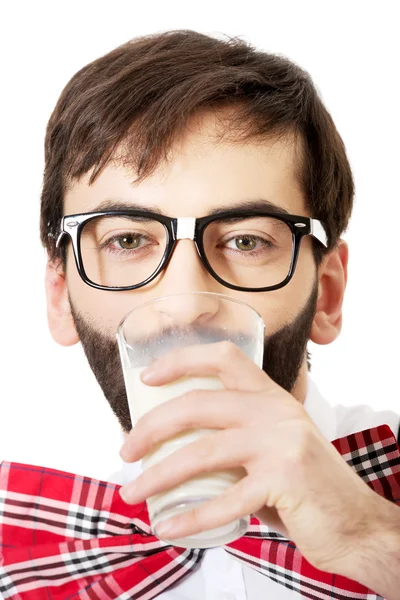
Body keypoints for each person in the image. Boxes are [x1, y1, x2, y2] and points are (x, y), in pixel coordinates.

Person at [16, 29, 400, 598]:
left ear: (328, 293)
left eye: (246, 241)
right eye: (126, 240)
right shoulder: (24, 554)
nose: (188, 305)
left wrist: (370, 537)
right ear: (59, 295)